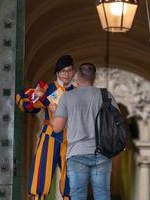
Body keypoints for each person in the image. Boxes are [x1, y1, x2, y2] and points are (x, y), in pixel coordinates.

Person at [52, 63, 117, 200]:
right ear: (94, 78)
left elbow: (57, 127)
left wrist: (54, 112)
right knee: (102, 194)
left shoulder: (67, 97)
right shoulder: (106, 95)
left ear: (77, 76)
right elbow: (117, 123)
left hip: (76, 153)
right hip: (102, 152)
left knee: (77, 195)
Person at [16, 55, 75, 200]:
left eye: (69, 71)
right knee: (42, 171)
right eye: (63, 71)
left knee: (72, 175)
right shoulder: (47, 88)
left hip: (71, 137)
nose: (66, 74)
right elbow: (24, 100)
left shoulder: (76, 91)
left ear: (73, 72)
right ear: (57, 72)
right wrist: (40, 99)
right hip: (50, 135)